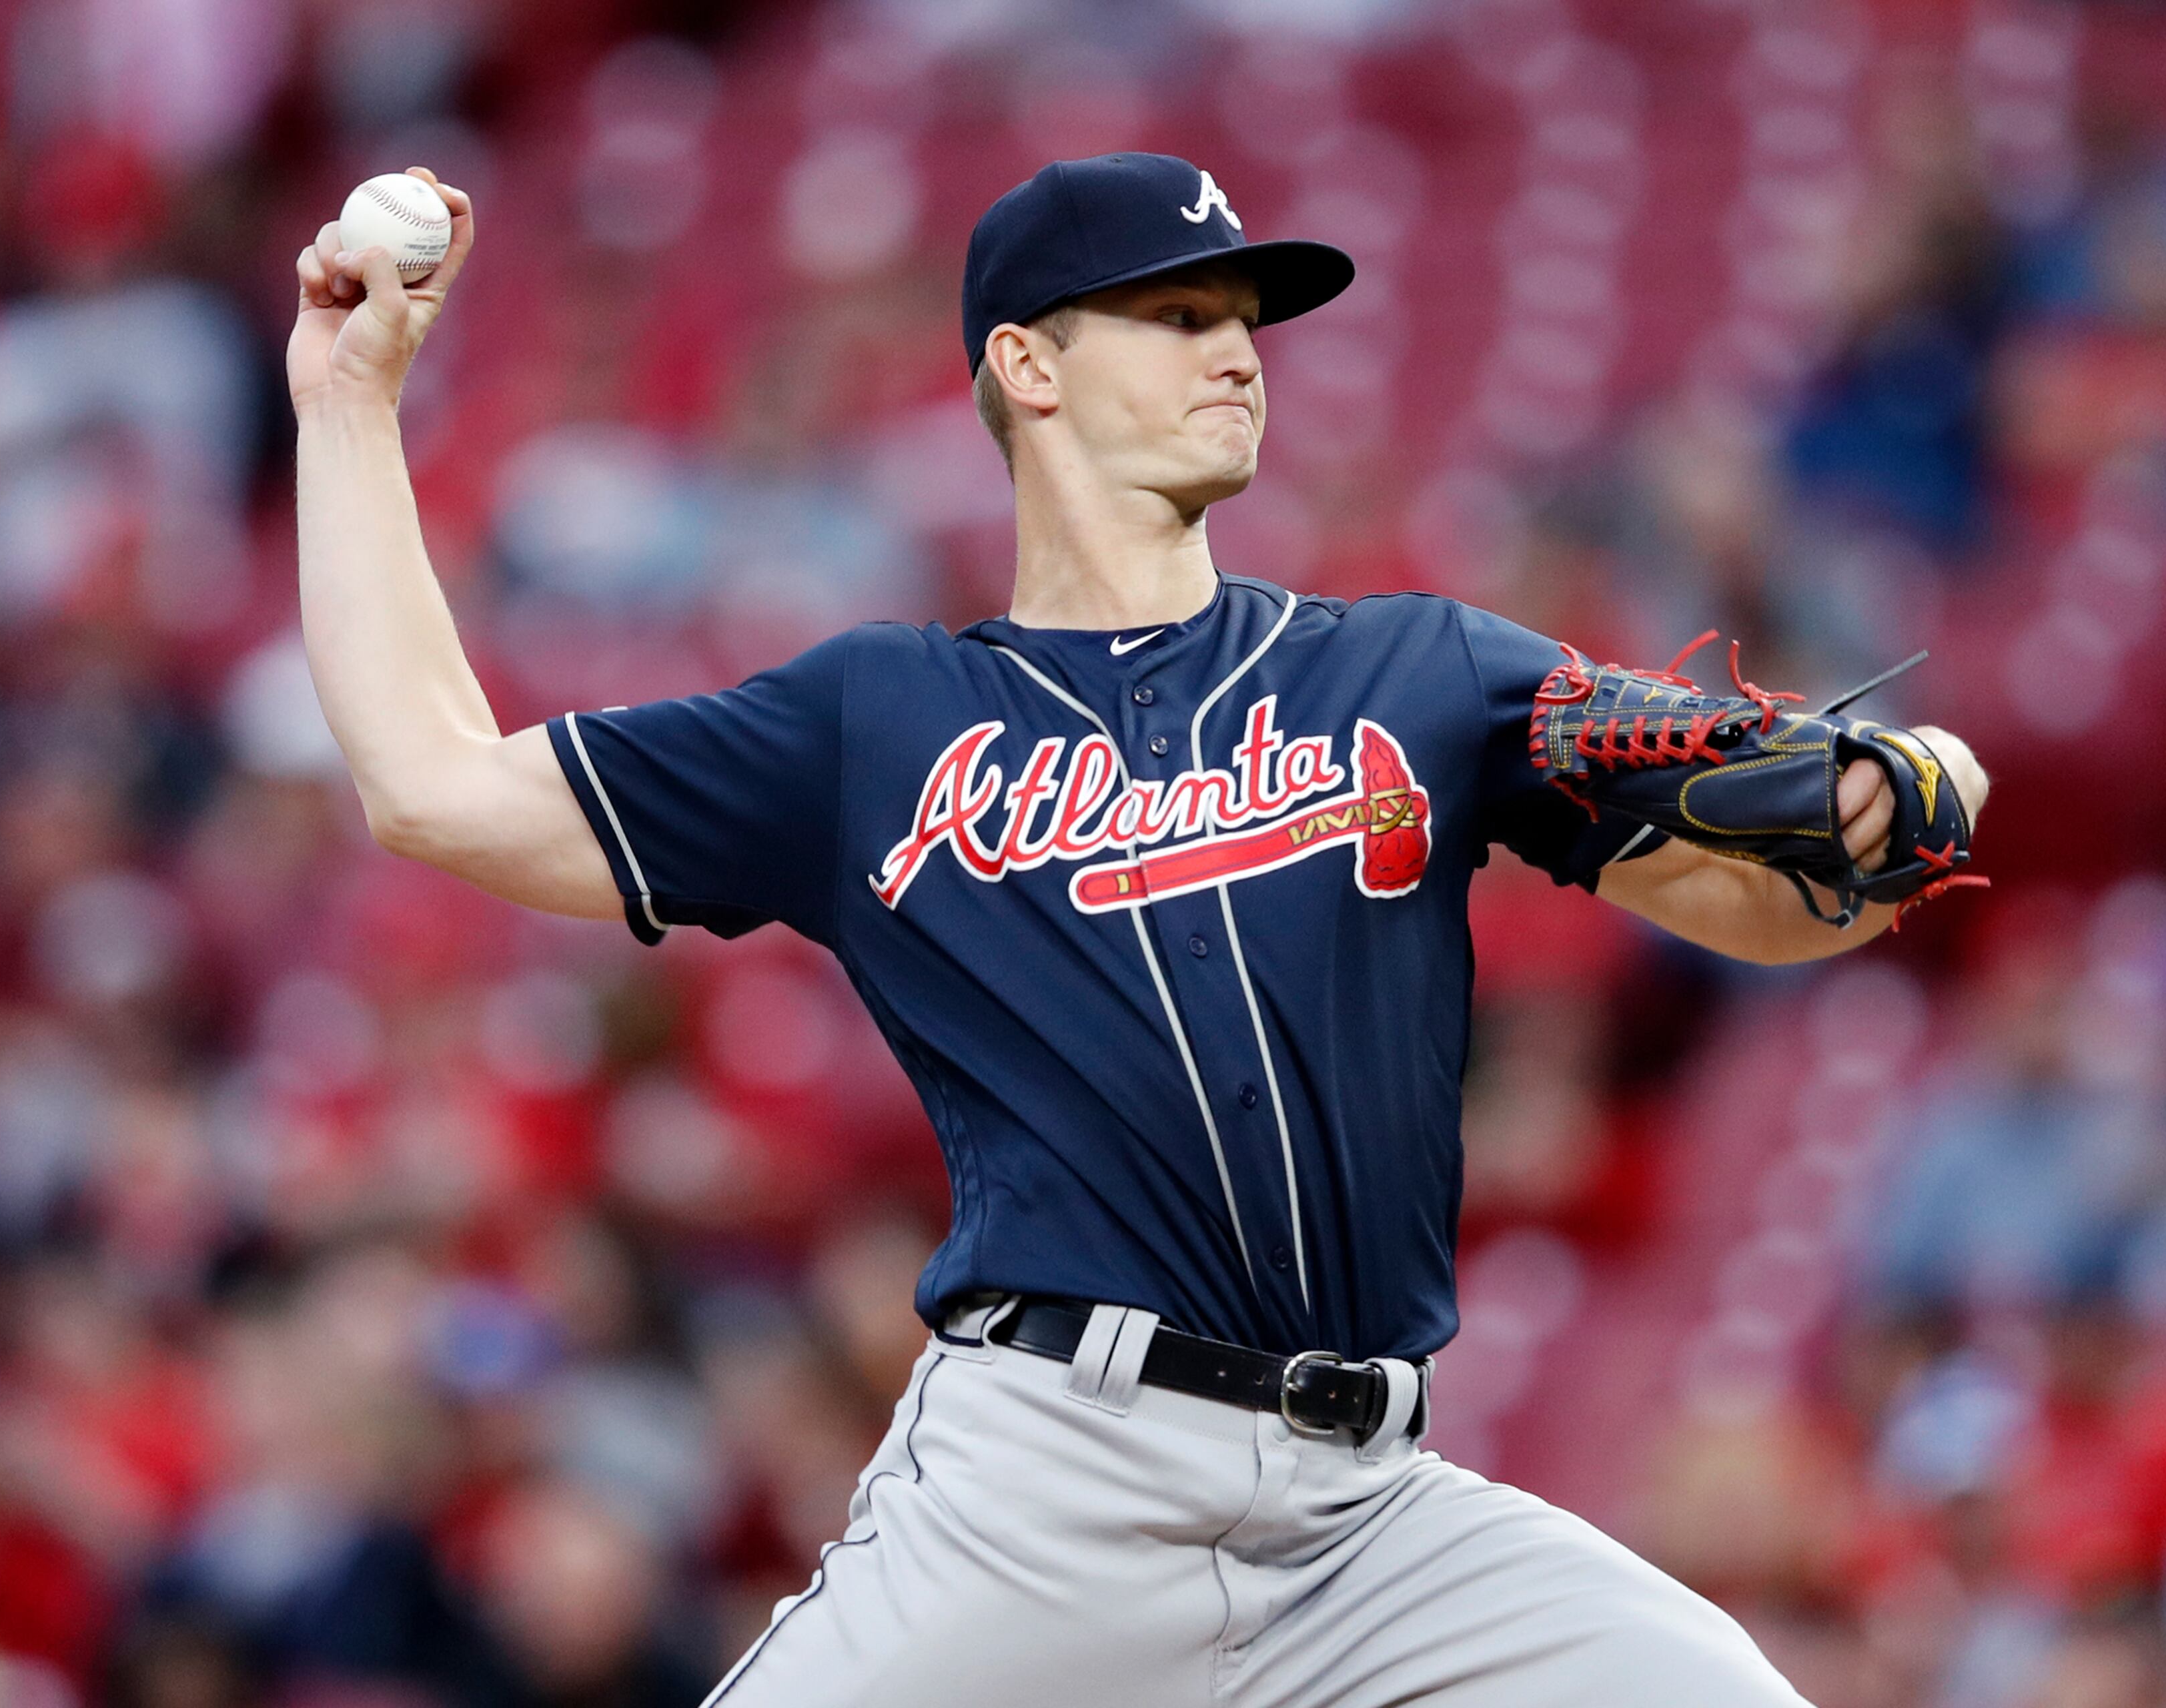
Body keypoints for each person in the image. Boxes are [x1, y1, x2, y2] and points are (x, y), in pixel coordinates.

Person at [291, 151, 1987, 1707]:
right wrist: (347, 403)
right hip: (1052, 1494)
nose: (1239, 351)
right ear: (1028, 368)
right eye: (1179, 315)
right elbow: (435, 788)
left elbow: (1744, 893)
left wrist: (1886, 818)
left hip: (1367, 1521)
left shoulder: (1418, 673)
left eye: (1246, 320)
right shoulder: (877, 724)